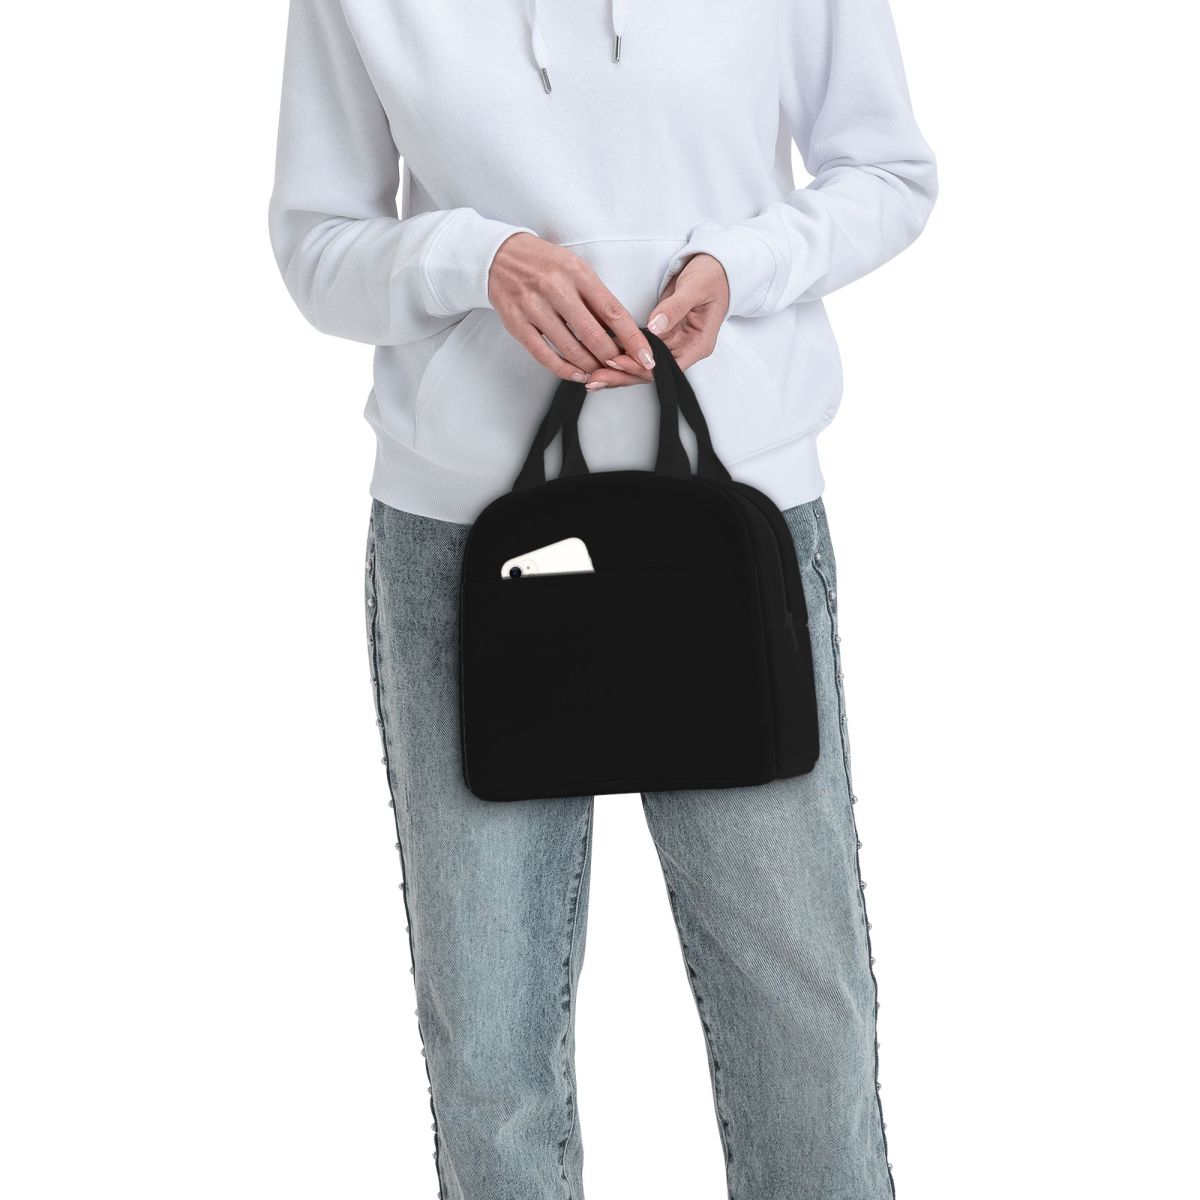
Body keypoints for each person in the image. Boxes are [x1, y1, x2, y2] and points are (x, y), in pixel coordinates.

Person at [269, 2, 936, 1196]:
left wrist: (743, 264)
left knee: (804, 1029)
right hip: (465, 543)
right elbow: (317, 245)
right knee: (490, 1050)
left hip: (734, 525)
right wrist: (473, 260)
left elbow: (888, 172)